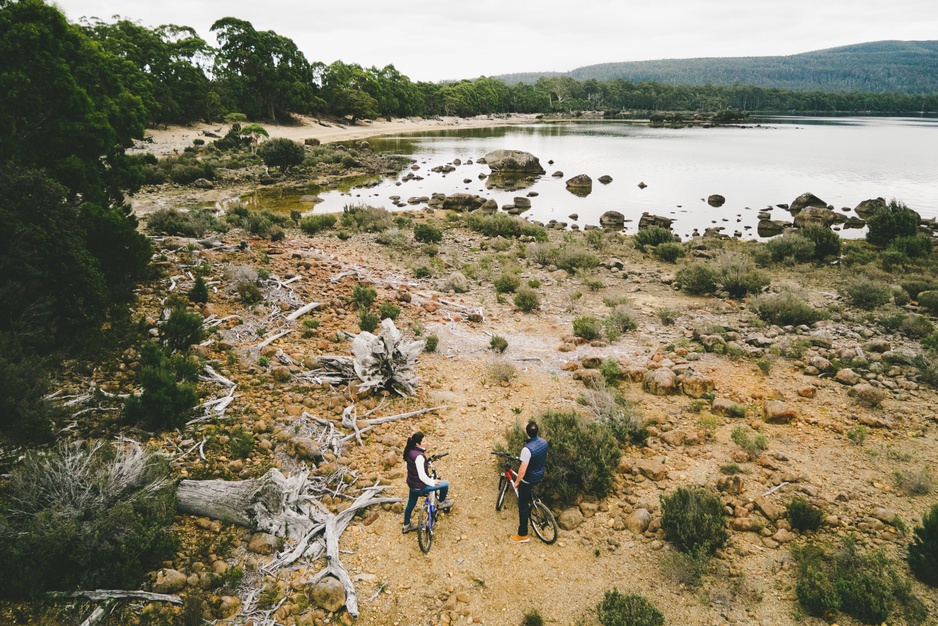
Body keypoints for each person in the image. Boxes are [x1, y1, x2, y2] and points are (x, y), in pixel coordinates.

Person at [402, 432, 454, 534]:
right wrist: (432, 481)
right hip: (421, 486)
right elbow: (422, 477)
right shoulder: (420, 457)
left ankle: (406, 525)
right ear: (418, 443)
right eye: (424, 441)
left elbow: (409, 466)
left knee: (410, 504)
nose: (426, 443)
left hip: (412, 485)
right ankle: (442, 502)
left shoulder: (409, 451)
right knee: (445, 484)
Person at [511, 421, 548, 543]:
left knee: (522, 506)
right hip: (540, 474)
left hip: (529, 479)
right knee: (529, 496)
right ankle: (536, 504)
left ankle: (523, 534)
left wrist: (516, 482)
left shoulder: (527, 450)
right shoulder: (544, 442)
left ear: (526, 432)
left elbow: (522, 471)